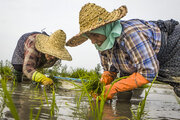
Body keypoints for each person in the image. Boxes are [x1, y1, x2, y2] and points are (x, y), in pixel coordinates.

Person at [66, 3, 180, 99]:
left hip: (172, 50)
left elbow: (148, 72)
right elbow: (110, 70)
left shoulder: (130, 34)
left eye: (95, 35)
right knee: (122, 87)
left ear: (106, 28)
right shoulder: (102, 43)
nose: (93, 41)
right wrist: (101, 87)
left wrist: (113, 88)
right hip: (138, 64)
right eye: (89, 37)